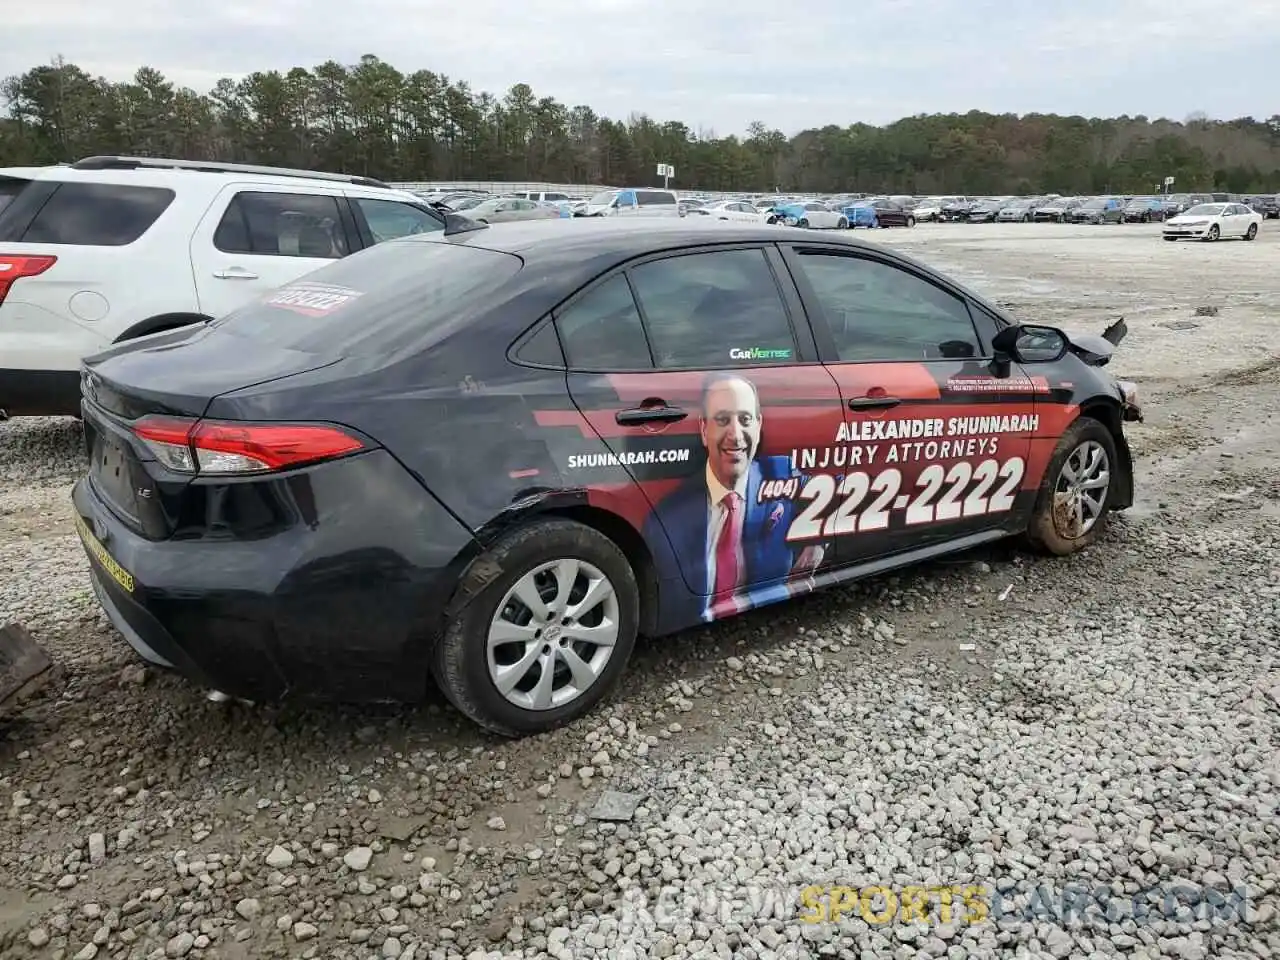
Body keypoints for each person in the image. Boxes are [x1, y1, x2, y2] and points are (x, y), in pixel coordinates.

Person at [643, 373, 826, 626]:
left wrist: (817, 539)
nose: (736, 434)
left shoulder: (781, 472)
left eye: (745, 419)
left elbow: (838, 490)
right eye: (722, 420)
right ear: (704, 430)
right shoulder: (667, 519)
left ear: (759, 427)